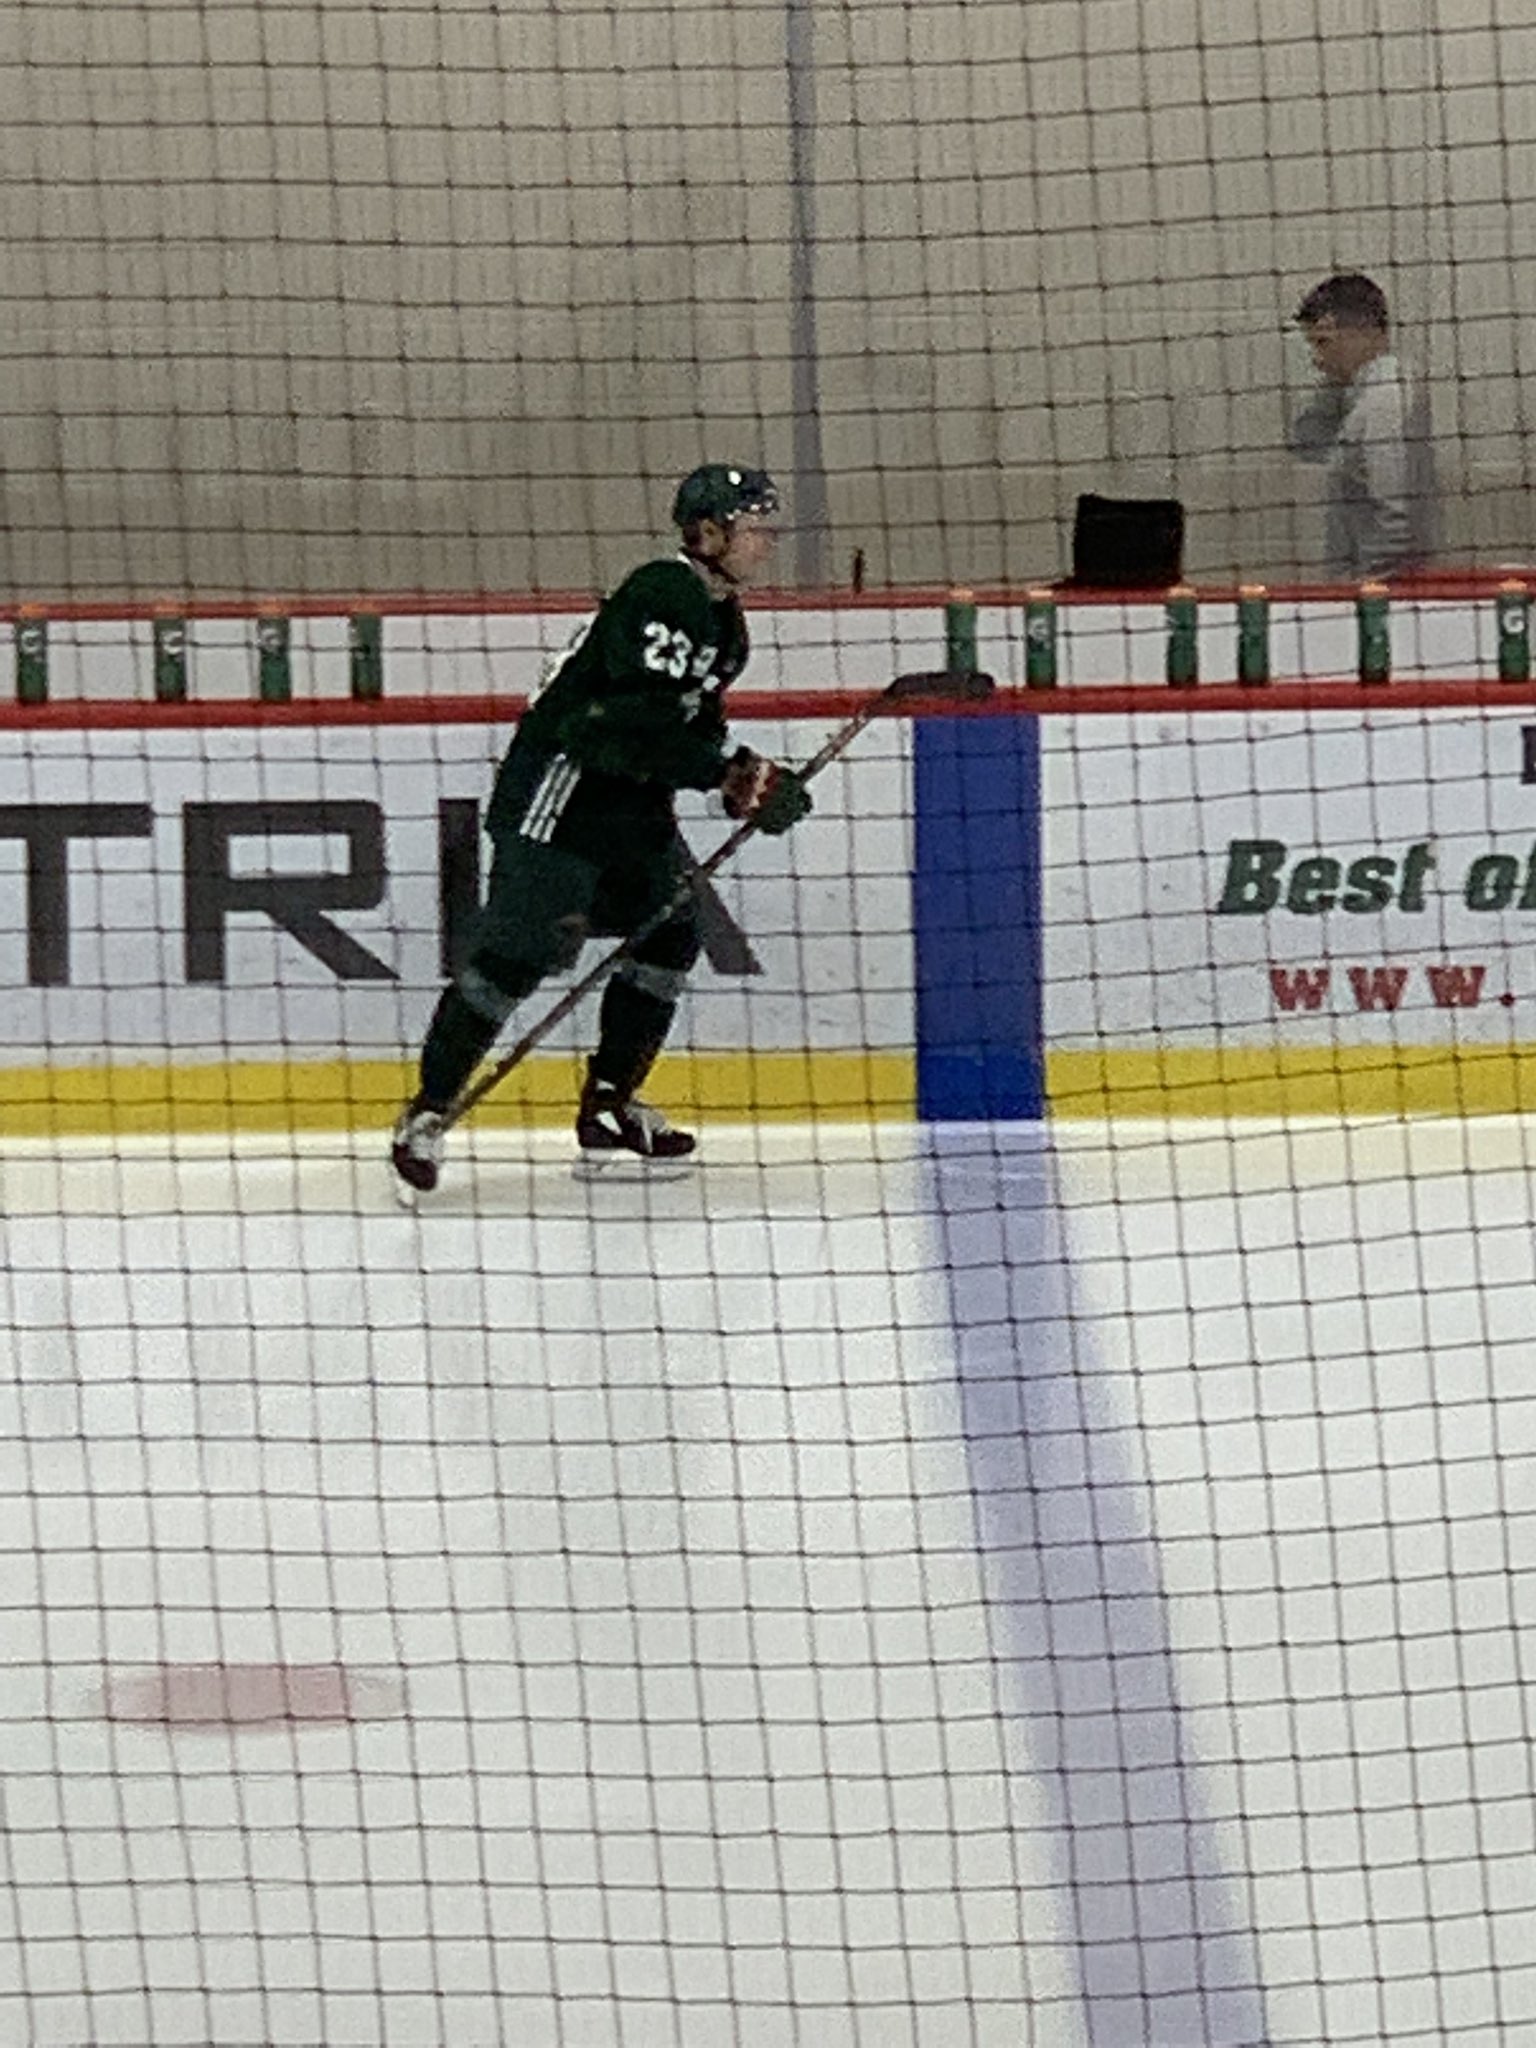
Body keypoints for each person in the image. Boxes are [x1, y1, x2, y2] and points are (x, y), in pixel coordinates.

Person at [391, 463, 812, 1195]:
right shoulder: (663, 591)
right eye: (753, 523)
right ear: (707, 533)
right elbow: (623, 727)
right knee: (517, 952)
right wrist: (729, 771)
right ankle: (426, 1112)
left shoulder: (721, 617)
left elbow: (686, 723)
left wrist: (739, 784)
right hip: (561, 790)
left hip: (627, 801)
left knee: (672, 929)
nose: (767, 538)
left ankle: (610, 1103)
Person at [1287, 271, 1439, 579]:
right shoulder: (1363, 399)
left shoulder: (1386, 404)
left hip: (1379, 595)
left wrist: (1365, 586)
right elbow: (1305, 442)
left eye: (1323, 342)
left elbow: (1397, 517)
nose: (1317, 359)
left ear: (1365, 332)